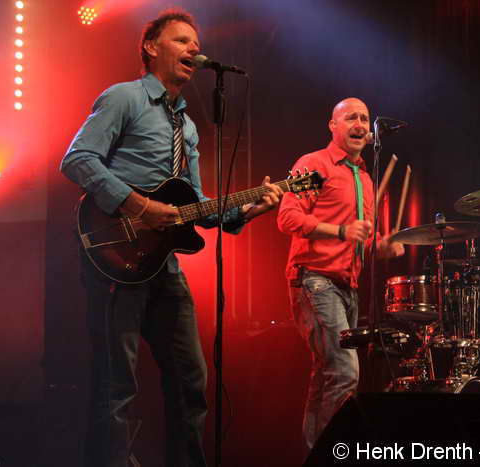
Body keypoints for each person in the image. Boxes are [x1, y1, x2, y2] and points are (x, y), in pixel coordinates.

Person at [60, 9, 282, 466]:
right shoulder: (124, 97)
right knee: (117, 385)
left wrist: (245, 210)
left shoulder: (188, 126)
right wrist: (138, 206)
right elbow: (78, 159)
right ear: (150, 47)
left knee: (190, 379)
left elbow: (194, 202)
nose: (193, 49)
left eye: (195, 44)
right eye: (181, 41)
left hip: (163, 263)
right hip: (115, 252)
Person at [277, 97, 404, 453]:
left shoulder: (364, 177)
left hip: (347, 285)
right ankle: (336, 453)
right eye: (351, 118)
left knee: (327, 374)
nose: (360, 124)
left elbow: (361, 239)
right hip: (314, 279)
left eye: (364, 118)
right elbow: (287, 218)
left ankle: (315, 453)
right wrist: (341, 231)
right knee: (346, 371)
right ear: (333, 126)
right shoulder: (313, 164)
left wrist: (381, 246)